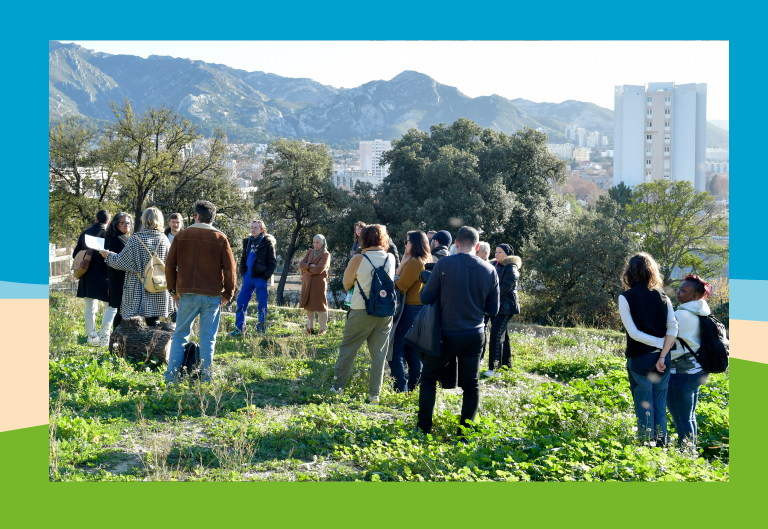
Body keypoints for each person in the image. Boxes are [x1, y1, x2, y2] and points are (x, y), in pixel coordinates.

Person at [417, 226, 500, 437]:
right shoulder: (490, 270)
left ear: (455, 243)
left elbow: (425, 298)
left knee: (428, 378)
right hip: (474, 334)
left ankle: (424, 428)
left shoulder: (444, 264)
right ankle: (465, 433)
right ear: (478, 245)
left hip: (445, 334)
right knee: (471, 385)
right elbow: (493, 309)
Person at [164, 200, 237, 382]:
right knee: (208, 340)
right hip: (212, 295)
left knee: (180, 336)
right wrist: (228, 293)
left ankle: (171, 378)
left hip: (187, 293)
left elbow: (170, 265)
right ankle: (206, 379)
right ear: (211, 217)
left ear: (196, 215)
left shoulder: (182, 236)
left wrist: (173, 290)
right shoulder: (221, 238)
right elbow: (230, 269)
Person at [331, 225, 396, 404]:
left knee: (347, 350)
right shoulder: (390, 258)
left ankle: (338, 388)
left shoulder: (359, 258)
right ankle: (374, 395)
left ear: (363, 239)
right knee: (379, 355)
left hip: (360, 310)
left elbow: (346, 284)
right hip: (384, 313)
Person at [618, 252, 678, 446]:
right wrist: (663, 350)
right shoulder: (663, 296)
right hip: (663, 359)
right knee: (660, 404)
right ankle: (661, 446)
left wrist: (659, 345)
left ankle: (646, 447)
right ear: (652, 271)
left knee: (644, 405)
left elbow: (634, 333)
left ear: (629, 273)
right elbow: (673, 327)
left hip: (640, 359)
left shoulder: (625, 297)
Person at [101, 207, 173, 326]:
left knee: (131, 324)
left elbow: (121, 262)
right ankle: (151, 344)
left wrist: (107, 256)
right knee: (154, 322)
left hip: (137, 287)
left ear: (144, 220)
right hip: (157, 286)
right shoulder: (164, 239)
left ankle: (121, 344)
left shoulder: (135, 239)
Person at [667, 275, 713, 448]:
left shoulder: (679, 316)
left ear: (694, 296)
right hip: (697, 371)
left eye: (683, 291)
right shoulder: (704, 313)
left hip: (680, 374)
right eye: (679, 289)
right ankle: (691, 451)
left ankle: (686, 455)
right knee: (689, 417)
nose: (678, 292)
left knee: (681, 419)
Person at [389, 230, 431, 393]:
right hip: (420, 310)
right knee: (412, 352)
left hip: (409, 310)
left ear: (414, 243)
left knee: (394, 350)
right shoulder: (427, 260)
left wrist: (401, 265)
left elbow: (398, 286)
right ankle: (414, 387)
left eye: (407, 242)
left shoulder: (414, 263)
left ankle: (401, 388)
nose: (405, 244)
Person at [74, 209, 113, 345]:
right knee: (110, 307)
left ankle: (92, 338)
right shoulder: (109, 234)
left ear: (96, 219)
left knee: (89, 308)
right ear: (108, 222)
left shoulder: (84, 232)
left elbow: (76, 255)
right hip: (105, 276)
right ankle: (104, 338)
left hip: (87, 275)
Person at [231, 219, 277, 336]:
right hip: (248, 278)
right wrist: (243, 272)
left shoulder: (267, 243)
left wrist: (265, 276)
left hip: (260, 278)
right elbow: (243, 259)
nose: (253, 230)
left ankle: (261, 330)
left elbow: (272, 263)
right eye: (252, 227)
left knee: (262, 305)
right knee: (241, 302)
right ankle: (240, 329)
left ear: (262, 230)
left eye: (256, 228)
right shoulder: (248, 242)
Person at [484, 244, 522, 377]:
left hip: (506, 308)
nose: (496, 254)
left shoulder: (511, 267)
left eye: (499, 252)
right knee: (503, 336)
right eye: (495, 252)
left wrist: (490, 296)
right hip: (498, 307)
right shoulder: (497, 265)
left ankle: (494, 369)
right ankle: (507, 366)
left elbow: (505, 287)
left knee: (496, 335)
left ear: (507, 254)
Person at [103, 212, 133, 337]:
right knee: (121, 312)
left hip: (119, 280)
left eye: (128, 223)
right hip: (120, 281)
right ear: (116, 225)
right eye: (123, 223)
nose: (127, 225)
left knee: (121, 311)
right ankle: (116, 339)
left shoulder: (122, 237)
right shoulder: (116, 239)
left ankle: (117, 339)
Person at [299, 234, 331, 335]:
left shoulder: (325, 254)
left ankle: (323, 328)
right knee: (309, 305)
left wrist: (306, 269)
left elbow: (319, 269)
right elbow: (301, 265)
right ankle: (310, 327)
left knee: (321, 305)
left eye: (317, 242)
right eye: (314, 242)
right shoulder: (310, 252)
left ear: (323, 243)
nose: (315, 245)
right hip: (307, 282)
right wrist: (310, 265)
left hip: (318, 284)